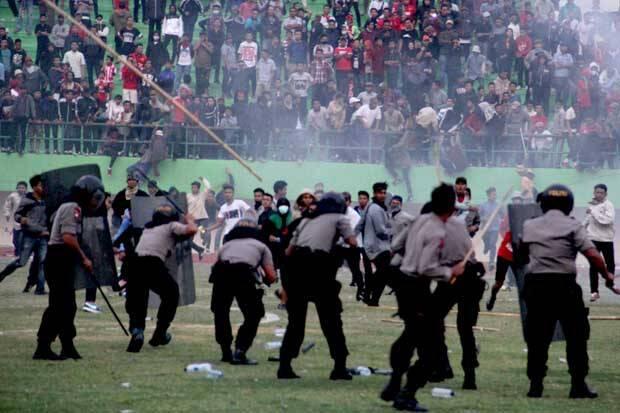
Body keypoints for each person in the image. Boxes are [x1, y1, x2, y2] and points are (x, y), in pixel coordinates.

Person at [521, 184, 620, 399]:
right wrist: (607, 276)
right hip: (564, 285)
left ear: (544, 203)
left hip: (536, 285)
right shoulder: (573, 226)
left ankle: (535, 385)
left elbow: (520, 254)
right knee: (576, 336)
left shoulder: (530, 225)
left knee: (538, 336)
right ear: (569, 204)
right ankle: (577, 385)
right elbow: (593, 255)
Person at [381, 183, 468, 411]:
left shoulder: (420, 220)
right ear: (450, 208)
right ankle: (406, 394)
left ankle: (395, 380)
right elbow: (426, 267)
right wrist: (451, 271)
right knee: (431, 348)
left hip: (403, 282)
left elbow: (400, 246)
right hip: (418, 286)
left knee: (409, 336)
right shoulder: (438, 230)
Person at [278, 192, 358, 380]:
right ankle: (339, 367)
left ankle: (284, 365)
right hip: (320, 272)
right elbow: (352, 242)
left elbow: (288, 251)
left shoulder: (306, 221)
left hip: (296, 272)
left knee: (295, 323)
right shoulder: (340, 218)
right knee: (331, 322)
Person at [33, 175, 106, 360]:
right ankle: (43, 346)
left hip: (65, 260)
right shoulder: (71, 207)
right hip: (58, 258)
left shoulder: (77, 208)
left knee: (69, 306)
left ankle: (68, 345)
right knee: (58, 306)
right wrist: (84, 258)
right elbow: (67, 238)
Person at [125, 205, 198, 352]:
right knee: (171, 294)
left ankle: (137, 332)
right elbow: (191, 230)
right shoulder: (171, 225)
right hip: (152, 263)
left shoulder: (148, 228)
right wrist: (190, 220)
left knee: (138, 299)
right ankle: (160, 332)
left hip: (135, 264)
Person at [211, 215, 277, 364]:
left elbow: (216, 266)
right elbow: (271, 276)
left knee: (220, 313)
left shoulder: (225, 246)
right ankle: (240, 351)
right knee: (254, 314)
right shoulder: (261, 246)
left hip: (222, 275)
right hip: (243, 275)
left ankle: (225, 351)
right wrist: (265, 280)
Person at [0, 175, 47, 295]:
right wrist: (21, 219)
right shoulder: (27, 199)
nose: (43, 187)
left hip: (43, 236)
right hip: (29, 236)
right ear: (35, 187)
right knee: (21, 262)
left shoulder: (48, 199)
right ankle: (2, 275)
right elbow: (17, 215)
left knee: (42, 262)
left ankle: (40, 289)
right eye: (41, 185)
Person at [357, 182, 391, 306]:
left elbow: (360, 224)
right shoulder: (376, 208)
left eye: (384, 192)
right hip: (378, 247)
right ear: (375, 193)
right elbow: (381, 230)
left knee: (381, 273)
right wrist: (394, 231)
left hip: (370, 246)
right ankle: (370, 295)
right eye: (380, 192)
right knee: (384, 273)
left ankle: (370, 297)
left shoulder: (373, 206)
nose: (382, 195)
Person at [583, 184, 615, 302]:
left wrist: (593, 211)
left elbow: (606, 221)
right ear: (594, 193)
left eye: (601, 193)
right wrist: (580, 229)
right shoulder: (591, 205)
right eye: (597, 192)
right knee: (594, 265)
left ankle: (610, 283)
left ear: (605, 194)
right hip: (593, 238)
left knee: (610, 264)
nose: (599, 195)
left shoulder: (609, 205)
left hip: (606, 239)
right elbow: (588, 219)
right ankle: (594, 292)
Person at [479, 187, 504, 270]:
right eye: (493, 194)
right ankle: (486, 246)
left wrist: (501, 210)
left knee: (492, 244)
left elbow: (503, 215)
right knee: (487, 242)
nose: (495, 196)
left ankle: (491, 262)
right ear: (489, 195)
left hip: (495, 228)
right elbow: (479, 216)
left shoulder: (498, 205)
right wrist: (483, 219)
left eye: (495, 194)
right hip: (485, 229)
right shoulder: (483, 205)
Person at [3, 181, 27, 257]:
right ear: (16, 188)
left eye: (23, 188)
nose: (21, 189)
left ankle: (21, 256)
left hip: (26, 222)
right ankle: (18, 254)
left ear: (26, 189)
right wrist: (7, 214)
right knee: (15, 241)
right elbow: (7, 206)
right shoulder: (12, 196)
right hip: (16, 222)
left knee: (22, 240)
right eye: (19, 187)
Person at [186, 177, 211, 251]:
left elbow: (208, 187)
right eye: (192, 187)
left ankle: (206, 245)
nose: (193, 189)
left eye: (195, 187)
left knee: (203, 232)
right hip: (193, 220)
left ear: (198, 188)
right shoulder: (188, 196)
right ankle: (190, 249)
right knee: (190, 235)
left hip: (202, 219)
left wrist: (203, 179)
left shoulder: (202, 195)